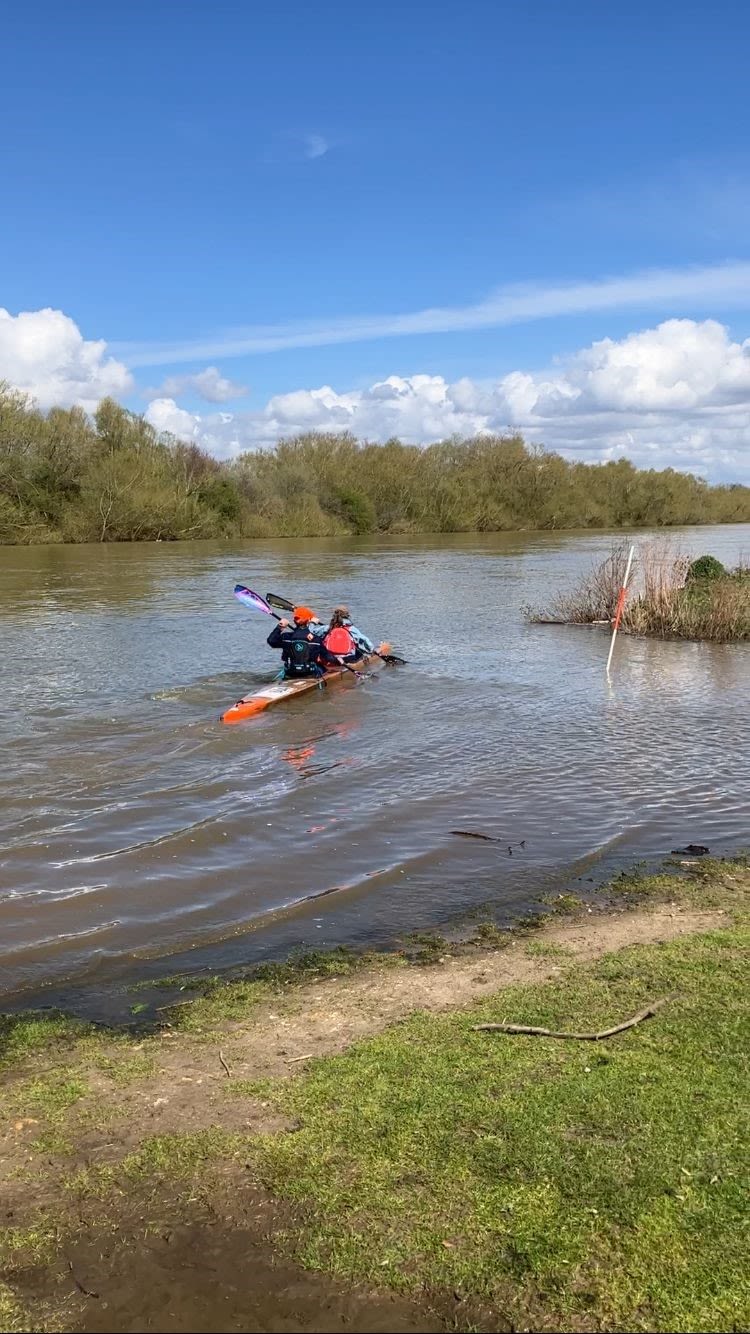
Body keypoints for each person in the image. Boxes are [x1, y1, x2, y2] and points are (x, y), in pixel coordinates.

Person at [267, 607, 339, 678]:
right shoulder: (316, 639)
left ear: (294, 621)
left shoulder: (286, 637)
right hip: (310, 673)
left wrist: (280, 627)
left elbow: (271, 641)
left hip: (291, 672)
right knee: (323, 668)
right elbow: (327, 657)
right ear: (308, 621)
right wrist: (338, 660)